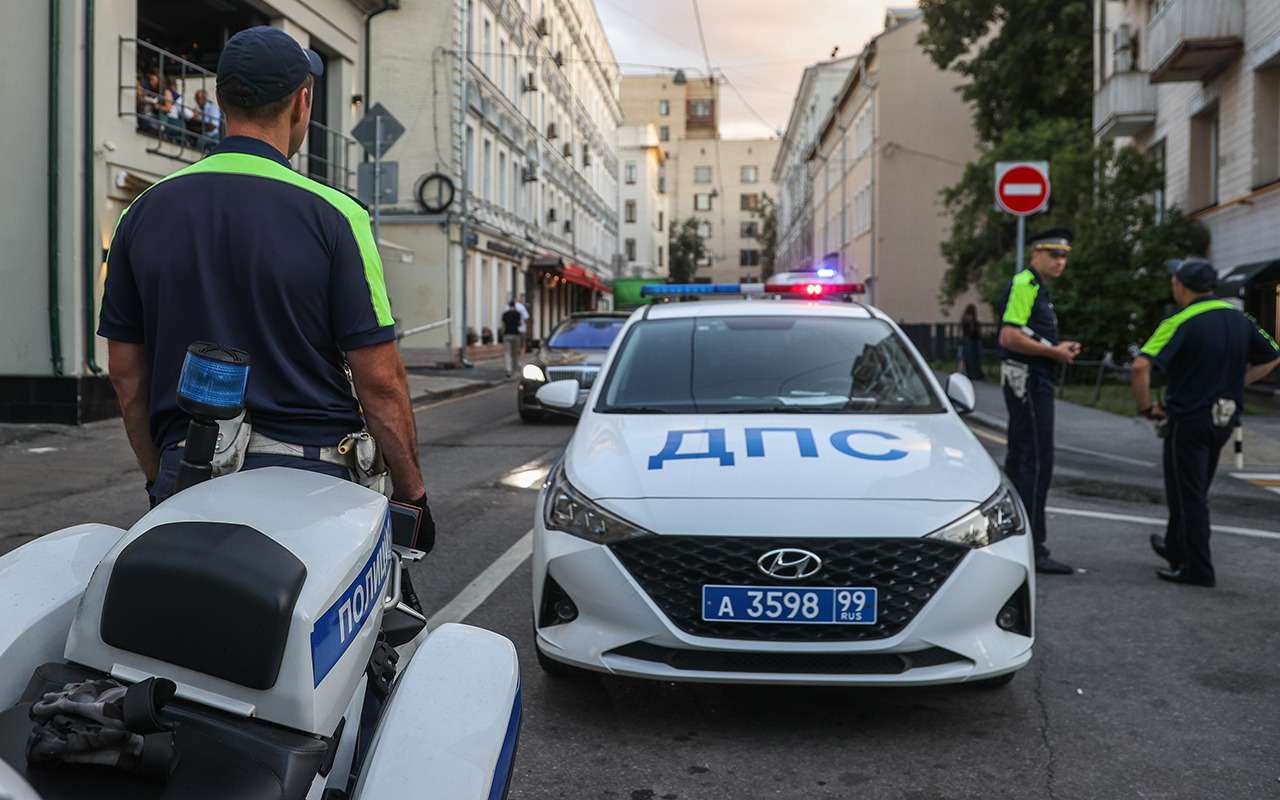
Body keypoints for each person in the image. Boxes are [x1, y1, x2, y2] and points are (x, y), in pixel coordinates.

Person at [100, 26, 435, 542]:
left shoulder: (140, 213)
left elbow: (126, 376)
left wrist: (159, 473)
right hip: (312, 485)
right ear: (303, 102)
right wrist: (412, 496)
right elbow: (381, 381)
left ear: (221, 99)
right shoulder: (337, 217)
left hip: (186, 475)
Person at [1130, 258, 1280, 587]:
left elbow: (1141, 367)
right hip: (1225, 417)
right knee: (1190, 485)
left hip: (1189, 417)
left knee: (1189, 493)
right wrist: (1238, 382)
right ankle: (1175, 547)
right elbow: (1273, 354)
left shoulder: (1179, 320)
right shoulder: (1240, 318)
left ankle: (1198, 568)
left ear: (1181, 286)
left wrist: (1146, 408)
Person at [996, 228, 1083, 575]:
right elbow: (1010, 335)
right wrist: (1054, 352)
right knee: (1035, 460)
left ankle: (1015, 539)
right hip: (1029, 381)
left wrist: (1055, 349)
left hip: (1031, 378)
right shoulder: (1026, 284)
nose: (1060, 261)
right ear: (1036, 254)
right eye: (1054, 255)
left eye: (1064, 256)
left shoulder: (1037, 288)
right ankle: (1033, 547)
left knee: (1023, 459)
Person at [960, 303, 984, 380]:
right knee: (973, 359)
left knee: (970, 358)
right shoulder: (970, 320)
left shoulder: (965, 319)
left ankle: (972, 374)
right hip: (972, 340)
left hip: (969, 340)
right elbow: (972, 331)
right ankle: (974, 374)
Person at [501, 300, 524, 378]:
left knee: (507, 353)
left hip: (507, 335)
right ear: (514, 306)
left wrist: (503, 334)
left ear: (509, 306)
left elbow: (503, 326)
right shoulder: (518, 314)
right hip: (515, 335)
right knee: (515, 354)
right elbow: (520, 324)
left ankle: (508, 370)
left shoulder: (505, 314)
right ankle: (514, 371)